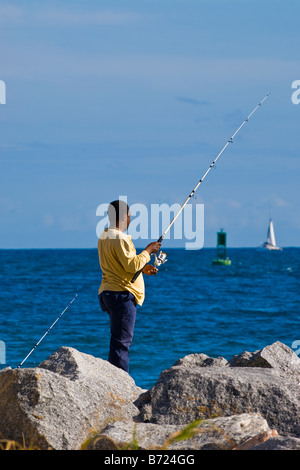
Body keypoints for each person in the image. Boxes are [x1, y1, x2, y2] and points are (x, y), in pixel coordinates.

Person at [97, 200, 161, 373]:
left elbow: (120, 265)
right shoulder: (120, 238)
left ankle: (114, 378)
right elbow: (131, 265)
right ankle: (120, 381)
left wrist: (143, 268)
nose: (131, 220)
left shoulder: (104, 236)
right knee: (122, 343)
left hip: (108, 293)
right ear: (124, 217)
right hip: (122, 295)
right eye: (130, 216)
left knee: (117, 341)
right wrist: (148, 251)